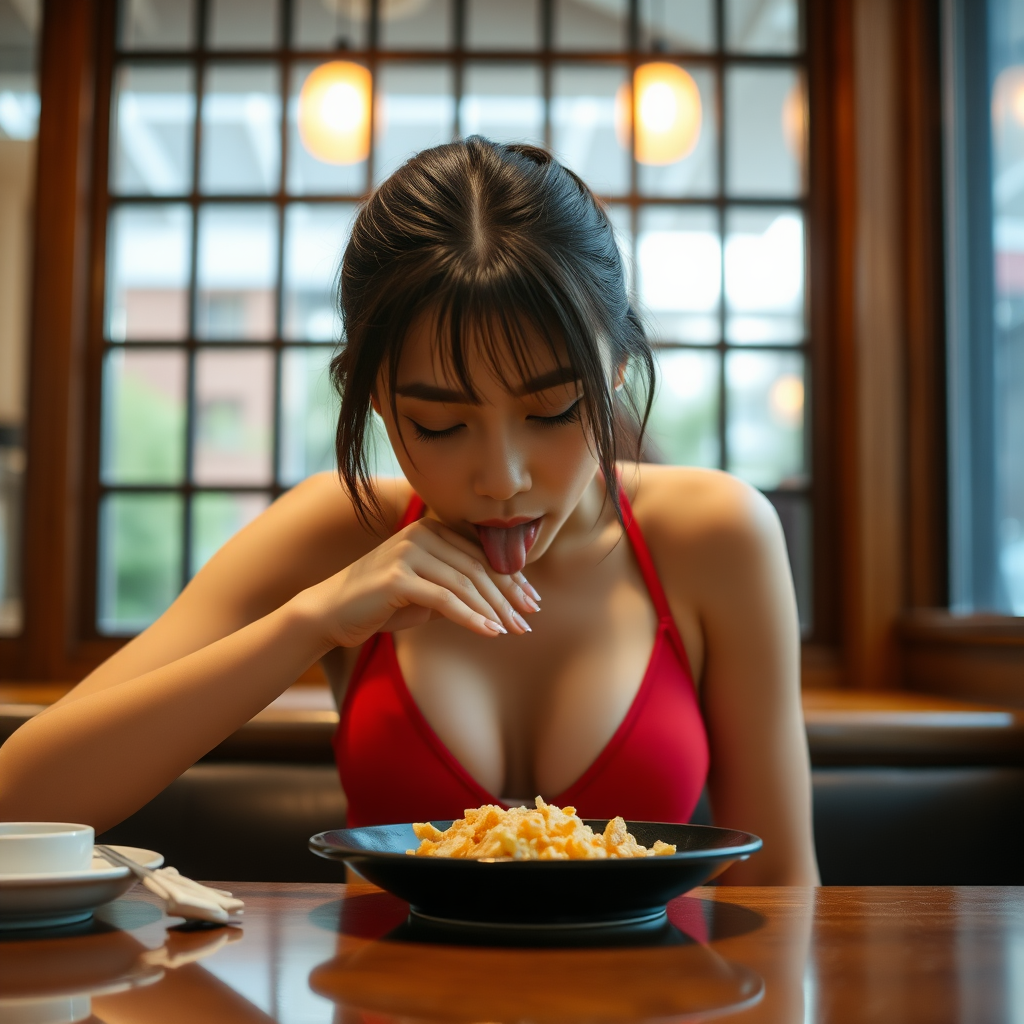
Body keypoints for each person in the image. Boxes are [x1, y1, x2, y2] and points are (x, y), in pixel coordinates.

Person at [0, 138, 818, 885]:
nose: (501, 479)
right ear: (376, 401)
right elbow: (18, 801)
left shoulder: (713, 536)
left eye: (554, 411)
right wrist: (312, 622)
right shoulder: (338, 531)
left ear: (616, 371)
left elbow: (783, 892)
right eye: (440, 423)